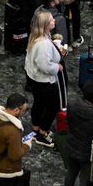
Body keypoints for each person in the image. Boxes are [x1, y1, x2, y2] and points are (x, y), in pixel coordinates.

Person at [25, 9, 63, 147]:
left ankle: (36, 128)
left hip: (34, 78)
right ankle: (43, 133)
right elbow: (45, 66)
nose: (54, 21)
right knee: (52, 106)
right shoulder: (43, 44)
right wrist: (57, 67)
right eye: (52, 20)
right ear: (46, 25)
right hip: (44, 80)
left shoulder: (36, 36)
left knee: (39, 102)